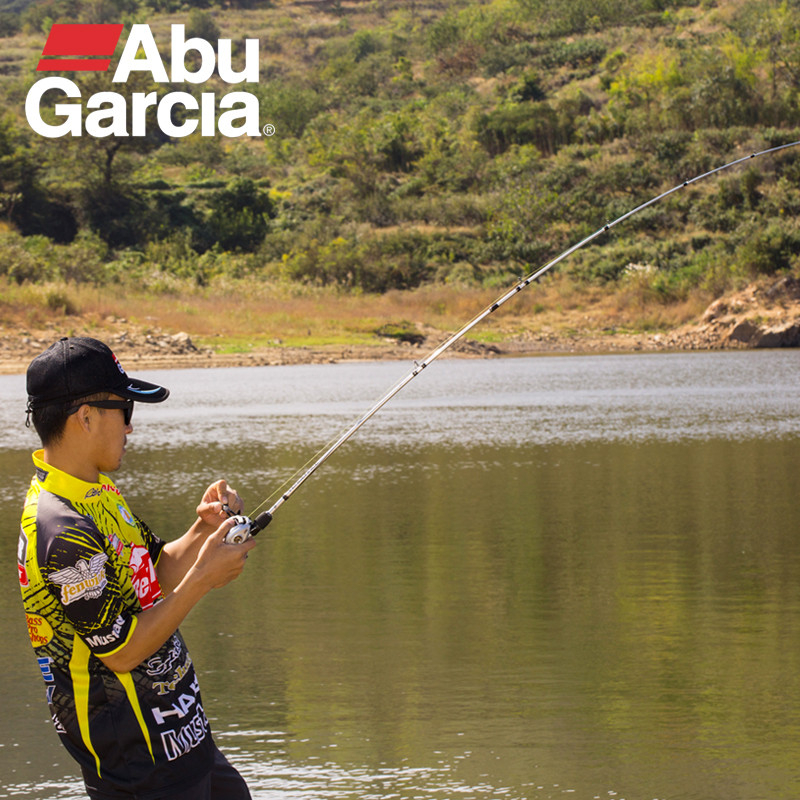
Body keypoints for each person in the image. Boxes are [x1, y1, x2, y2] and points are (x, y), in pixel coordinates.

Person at [17, 336, 258, 799]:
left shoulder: (96, 491)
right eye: (124, 411)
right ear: (86, 416)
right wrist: (203, 579)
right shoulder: (60, 526)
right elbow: (123, 651)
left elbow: (154, 571)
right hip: (139, 762)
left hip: (183, 738)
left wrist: (203, 532)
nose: (130, 428)